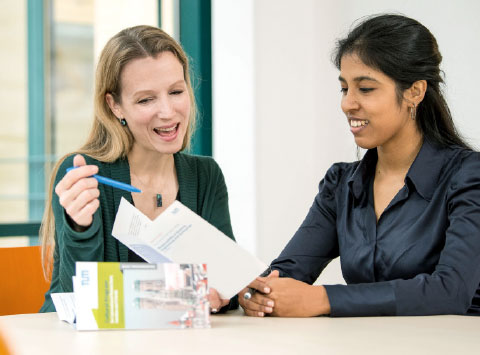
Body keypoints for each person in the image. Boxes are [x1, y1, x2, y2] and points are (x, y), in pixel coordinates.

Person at [239, 14, 480, 317]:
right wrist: (257, 292)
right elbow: (286, 274)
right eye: (344, 89)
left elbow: (450, 292)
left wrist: (324, 299)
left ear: (415, 92)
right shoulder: (341, 184)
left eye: (365, 89)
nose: (347, 103)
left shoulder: (469, 176)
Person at [39, 25, 237, 313]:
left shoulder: (206, 176)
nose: (168, 111)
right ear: (115, 106)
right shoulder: (85, 175)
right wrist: (80, 229)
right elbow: (75, 299)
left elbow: (226, 285)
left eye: (176, 91)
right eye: (146, 99)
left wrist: (224, 295)